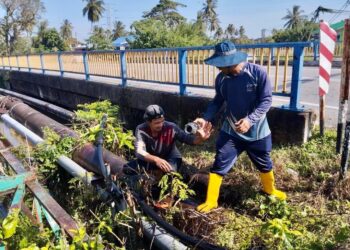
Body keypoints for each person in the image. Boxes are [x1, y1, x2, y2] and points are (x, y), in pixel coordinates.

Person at [195, 41, 287, 213]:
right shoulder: (222, 79)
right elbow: (218, 101)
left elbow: (266, 101)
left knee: (264, 161)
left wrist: (250, 120)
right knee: (220, 161)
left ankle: (270, 190)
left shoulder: (257, 73)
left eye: (220, 65)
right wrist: (205, 117)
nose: (218, 69)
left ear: (230, 63)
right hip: (231, 130)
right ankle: (211, 201)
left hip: (257, 130)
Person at [128, 104, 211, 174]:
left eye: (162, 121)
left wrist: (201, 139)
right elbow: (139, 151)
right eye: (157, 123)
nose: (160, 125)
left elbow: (189, 140)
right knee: (127, 169)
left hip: (171, 158)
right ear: (148, 122)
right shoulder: (141, 129)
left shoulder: (171, 127)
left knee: (169, 172)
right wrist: (156, 159)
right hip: (152, 159)